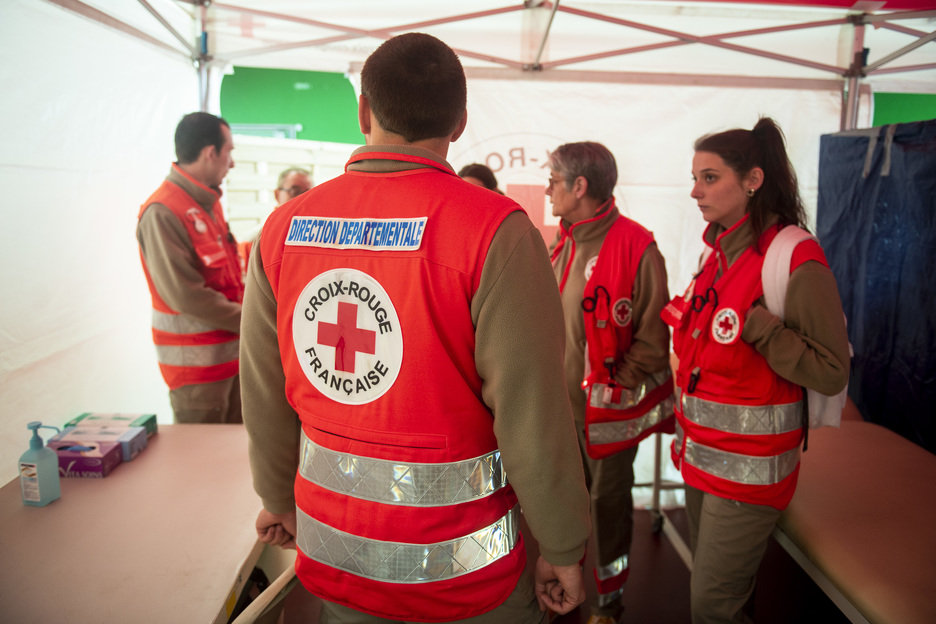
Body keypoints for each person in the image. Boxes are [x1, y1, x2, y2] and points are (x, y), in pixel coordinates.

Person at [240, 33, 591, 624]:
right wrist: (562, 545)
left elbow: (263, 389)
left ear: (362, 111)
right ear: (458, 124)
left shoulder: (283, 229)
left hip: (337, 556)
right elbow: (534, 412)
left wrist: (276, 496)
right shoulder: (495, 232)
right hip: (466, 575)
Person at [661, 117, 850, 624]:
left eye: (709, 177)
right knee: (718, 594)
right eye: (695, 177)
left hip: (749, 475)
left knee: (712, 606)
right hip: (699, 459)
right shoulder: (714, 255)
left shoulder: (793, 257)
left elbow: (832, 371)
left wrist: (764, 330)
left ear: (753, 180)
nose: (695, 191)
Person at [547, 142, 674, 624]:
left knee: (608, 511)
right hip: (560, 416)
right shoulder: (560, 241)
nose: (548, 190)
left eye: (554, 180)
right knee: (562, 511)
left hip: (610, 417)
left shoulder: (639, 247)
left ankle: (609, 604)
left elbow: (652, 337)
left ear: (580, 186)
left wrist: (613, 386)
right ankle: (566, 589)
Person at [137, 111, 243, 424]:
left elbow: (228, 277)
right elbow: (187, 296)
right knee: (204, 466)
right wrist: (253, 321)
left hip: (231, 362)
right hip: (197, 374)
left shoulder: (208, 203)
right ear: (211, 153)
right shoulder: (163, 211)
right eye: (229, 152)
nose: (232, 163)